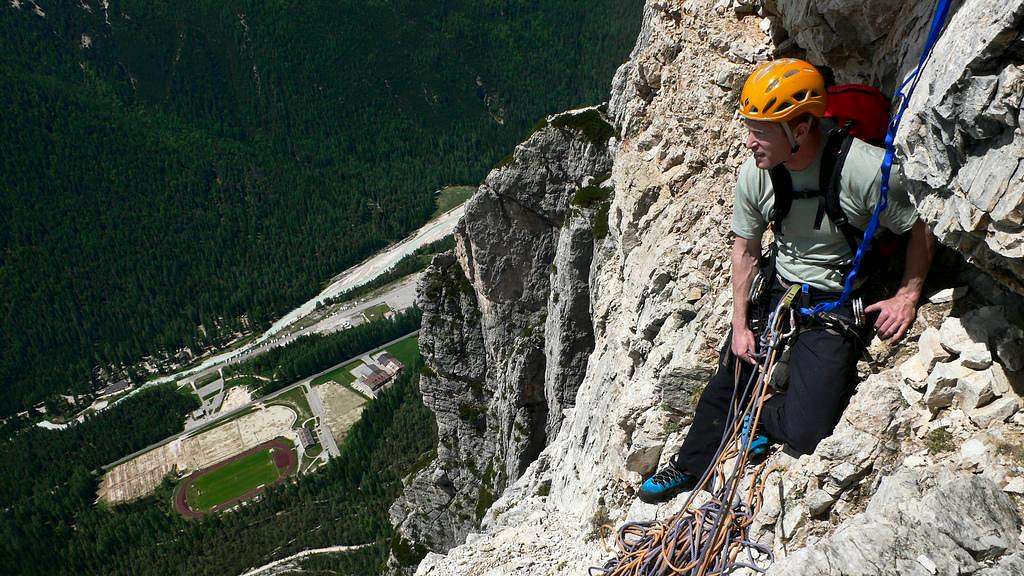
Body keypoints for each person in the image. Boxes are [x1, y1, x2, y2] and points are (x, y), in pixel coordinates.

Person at [638, 59, 936, 504]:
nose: (749, 141)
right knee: (732, 374)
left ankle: (761, 420)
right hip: (782, 288)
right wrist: (740, 326)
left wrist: (908, 295)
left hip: (838, 299)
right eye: (749, 127)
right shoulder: (756, 174)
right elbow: (746, 251)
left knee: (808, 430)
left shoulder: (865, 170)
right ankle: (688, 465)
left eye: (761, 129)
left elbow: (921, 224)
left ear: (799, 127)